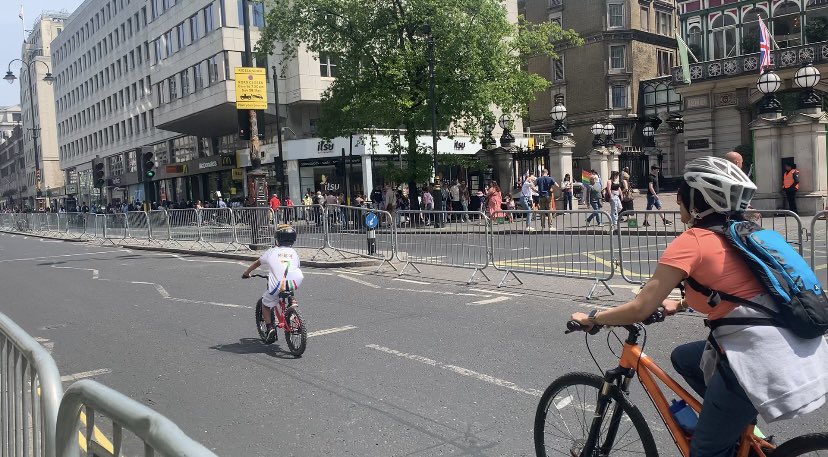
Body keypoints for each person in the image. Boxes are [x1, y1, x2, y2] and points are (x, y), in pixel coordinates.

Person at [570, 157, 828, 457]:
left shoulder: (693, 240)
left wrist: (594, 317)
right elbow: (744, 292)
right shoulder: (751, 235)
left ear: (694, 202)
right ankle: (740, 430)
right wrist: (678, 305)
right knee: (684, 357)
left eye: (681, 196)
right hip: (800, 348)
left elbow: (640, 307)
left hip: (758, 362)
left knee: (705, 453)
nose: (678, 204)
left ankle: (722, 435)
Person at [242, 224, 304, 344]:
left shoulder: (271, 251)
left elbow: (257, 263)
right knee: (288, 281)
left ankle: (270, 328)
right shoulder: (294, 252)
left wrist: (246, 273)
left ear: (277, 239)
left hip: (278, 284)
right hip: (297, 280)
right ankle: (292, 300)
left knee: (265, 303)